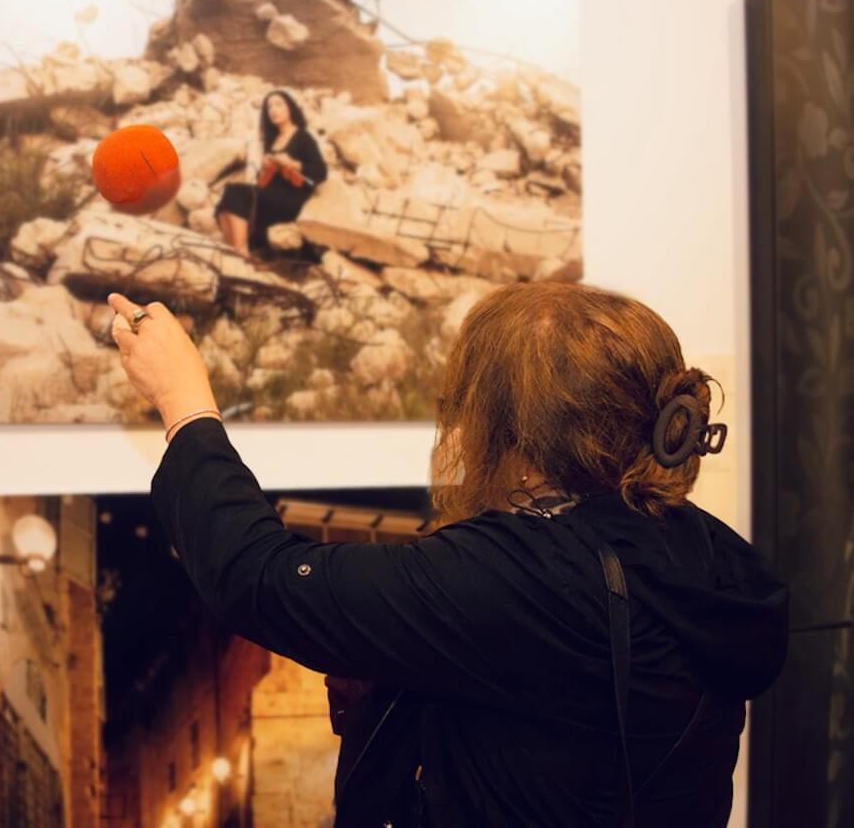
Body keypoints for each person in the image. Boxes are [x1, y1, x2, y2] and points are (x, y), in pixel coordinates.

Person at [106, 283, 788, 827]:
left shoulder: (532, 575)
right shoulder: (702, 552)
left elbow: (261, 581)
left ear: (510, 424)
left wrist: (184, 403)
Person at [216, 89, 328, 256]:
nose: (273, 110)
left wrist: (293, 163)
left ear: (290, 108)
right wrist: (266, 166)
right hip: (271, 194)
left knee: (235, 191)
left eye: (278, 105)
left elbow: (321, 171)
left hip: (291, 197)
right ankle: (232, 248)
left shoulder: (302, 136)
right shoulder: (272, 140)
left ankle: (241, 252)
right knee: (225, 200)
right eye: (269, 107)